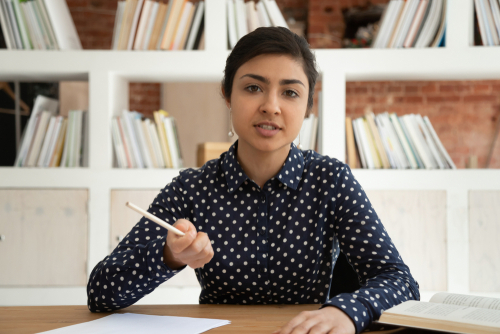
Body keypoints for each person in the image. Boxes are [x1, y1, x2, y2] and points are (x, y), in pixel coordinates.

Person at [87, 27, 419, 334]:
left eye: (290, 92)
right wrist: (169, 256)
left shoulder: (329, 180)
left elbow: (400, 280)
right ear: (227, 95)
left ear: (307, 107)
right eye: (253, 88)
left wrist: (347, 311)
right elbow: (101, 293)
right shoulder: (191, 189)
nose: (271, 106)